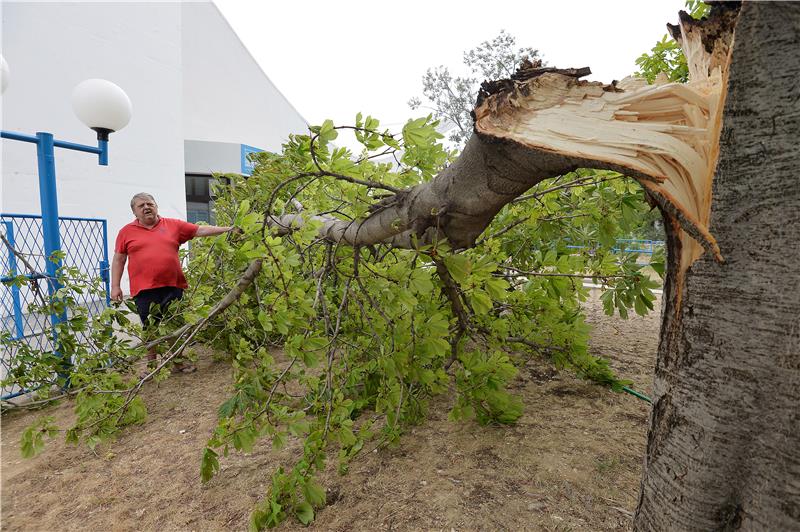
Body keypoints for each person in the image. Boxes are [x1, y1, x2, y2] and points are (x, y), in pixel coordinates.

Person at [111, 192, 235, 374]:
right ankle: (152, 367)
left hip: (173, 285)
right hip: (144, 289)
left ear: (156, 206)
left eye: (149, 204)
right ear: (134, 212)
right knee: (150, 328)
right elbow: (119, 259)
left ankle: (177, 361)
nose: (146, 207)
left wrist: (227, 229)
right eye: (141, 206)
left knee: (174, 325)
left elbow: (199, 230)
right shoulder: (126, 232)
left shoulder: (172, 225)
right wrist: (115, 286)